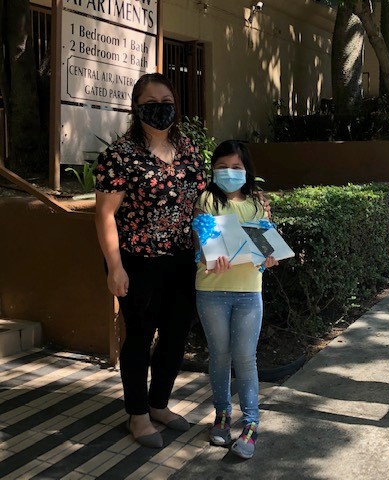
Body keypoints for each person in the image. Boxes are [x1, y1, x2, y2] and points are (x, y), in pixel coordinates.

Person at [94, 73, 207, 447]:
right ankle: (138, 415)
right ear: (136, 107)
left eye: (167, 100)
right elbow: (105, 214)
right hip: (137, 261)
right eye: (152, 102)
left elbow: (202, 209)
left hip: (181, 261)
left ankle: (159, 404)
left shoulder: (189, 149)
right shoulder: (120, 155)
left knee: (176, 337)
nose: (162, 108)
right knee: (140, 337)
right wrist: (114, 266)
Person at [193, 140, 278, 459]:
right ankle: (222, 416)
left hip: (248, 291)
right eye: (223, 167)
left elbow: (266, 246)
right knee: (220, 356)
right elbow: (202, 249)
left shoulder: (258, 202)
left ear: (247, 170)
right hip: (212, 292)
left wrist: (269, 257)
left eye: (237, 167)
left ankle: (252, 423)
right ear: (213, 169)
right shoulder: (205, 200)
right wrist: (211, 256)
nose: (229, 173)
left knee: (245, 357)